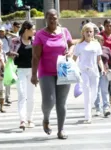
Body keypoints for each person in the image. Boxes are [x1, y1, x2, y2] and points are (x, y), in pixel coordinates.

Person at [31, 9, 75, 139]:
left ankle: (61, 130)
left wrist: (70, 52)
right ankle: (46, 118)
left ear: (58, 18)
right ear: (45, 18)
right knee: (49, 101)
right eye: (49, 17)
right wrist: (34, 74)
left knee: (61, 102)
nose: (52, 20)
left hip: (63, 70)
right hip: (46, 71)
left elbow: (71, 45)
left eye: (54, 17)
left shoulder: (64, 31)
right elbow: (35, 56)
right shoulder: (40, 34)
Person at [73, 23, 105, 124]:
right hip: (84, 72)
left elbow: (99, 59)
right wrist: (74, 70)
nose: (89, 33)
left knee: (94, 94)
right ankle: (88, 116)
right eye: (87, 31)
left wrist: (102, 69)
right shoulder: (79, 45)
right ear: (83, 33)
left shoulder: (96, 44)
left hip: (94, 71)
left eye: (90, 31)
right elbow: (74, 59)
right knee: (87, 93)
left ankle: (89, 108)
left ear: (93, 33)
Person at [9, 21, 36, 129]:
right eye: (33, 29)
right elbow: (9, 55)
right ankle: (22, 120)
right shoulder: (15, 41)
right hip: (19, 70)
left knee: (31, 96)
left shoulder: (35, 41)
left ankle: (30, 119)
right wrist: (11, 54)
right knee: (22, 95)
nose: (34, 31)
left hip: (32, 71)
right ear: (26, 30)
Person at [94, 35, 111, 117]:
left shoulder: (106, 49)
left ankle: (106, 108)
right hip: (94, 73)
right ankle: (97, 108)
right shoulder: (91, 50)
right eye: (96, 40)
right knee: (96, 92)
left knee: (104, 91)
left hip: (104, 72)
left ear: (102, 41)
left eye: (100, 40)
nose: (98, 41)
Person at [100, 19, 111, 106]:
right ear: (104, 26)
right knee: (106, 80)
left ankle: (110, 97)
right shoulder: (100, 35)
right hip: (105, 61)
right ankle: (105, 98)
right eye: (107, 26)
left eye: (110, 25)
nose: (109, 27)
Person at [0, 26, 12, 105]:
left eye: (2, 31)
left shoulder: (8, 39)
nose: (1, 33)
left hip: (7, 59)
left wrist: (9, 33)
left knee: (8, 80)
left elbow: (17, 37)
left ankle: (8, 97)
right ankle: (0, 98)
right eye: (0, 31)